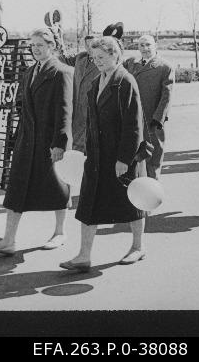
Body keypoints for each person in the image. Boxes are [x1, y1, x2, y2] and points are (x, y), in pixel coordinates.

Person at [61, 36, 152, 271]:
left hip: (121, 156)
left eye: (101, 57)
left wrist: (124, 159)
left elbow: (134, 126)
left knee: (132, 201)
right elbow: (91, 122)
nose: (97, 62)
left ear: (115, 55)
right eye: (94, 58)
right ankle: (83, 256)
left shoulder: (125, 81)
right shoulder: (96, 82)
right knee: (89, 204)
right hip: (97, 157)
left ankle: (138, 247)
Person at [0, 28, 74, 256]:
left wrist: (59, 143)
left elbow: (65, 112)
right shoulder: (29, 71)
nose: (35, 49)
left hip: (49, 141)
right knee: (16, 190)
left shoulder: (62, 72)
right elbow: (24, 109)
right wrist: (16, 138)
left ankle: (60, 232)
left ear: (51, 46)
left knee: (58, 187)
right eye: (32, 45)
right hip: (27, 140)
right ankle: (9, 240)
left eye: (40, 45)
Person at [123, 34, 174, 177]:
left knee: (153, 156)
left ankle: (153, 189)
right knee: (133, 155)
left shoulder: (165, 67)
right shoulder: (131, 63)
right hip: (132, 117)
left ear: (155, 46)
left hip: (152, 120)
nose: (145, 48)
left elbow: (167, 96)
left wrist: (158, 119)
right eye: (141, 45)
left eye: (148, 45)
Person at [61, 34, 100, 153]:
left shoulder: (104, 61)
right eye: (86, 45)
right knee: (77, 142)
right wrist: (58, 37)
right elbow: (64, 58)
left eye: (92, 45)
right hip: (78, 106)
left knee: (91, 142)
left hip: (93, 108)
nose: (89, 48)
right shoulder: (81, 57)